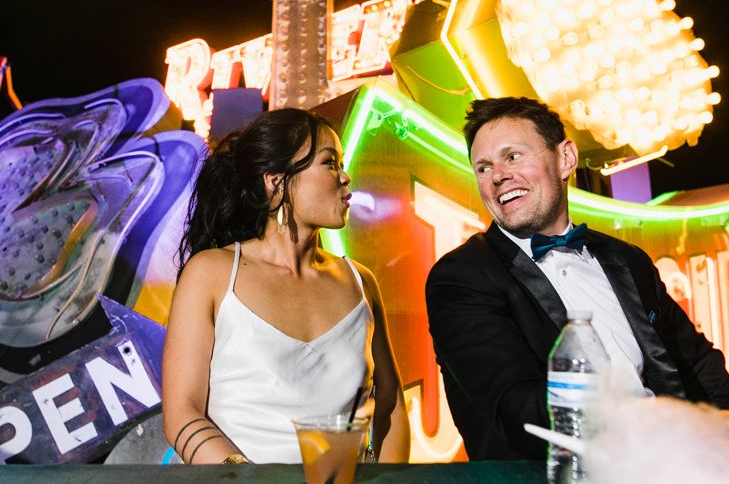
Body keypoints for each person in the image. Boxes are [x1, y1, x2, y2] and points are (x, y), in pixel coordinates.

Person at [425, 96, 729, 461]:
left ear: (565, 158)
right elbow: (520, 412)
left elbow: (696, 362)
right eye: (483, 168)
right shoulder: (461, 278)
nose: (498, 176)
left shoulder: (626, 259)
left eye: (513, 156)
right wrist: (657, 428)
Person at [162, 108, 410, 465]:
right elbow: (183, 414)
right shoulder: (212, 274)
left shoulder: (360, 282)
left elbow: (391, 406)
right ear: (276, 182)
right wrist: (247, 479)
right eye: (330, 163)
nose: (346, 177)